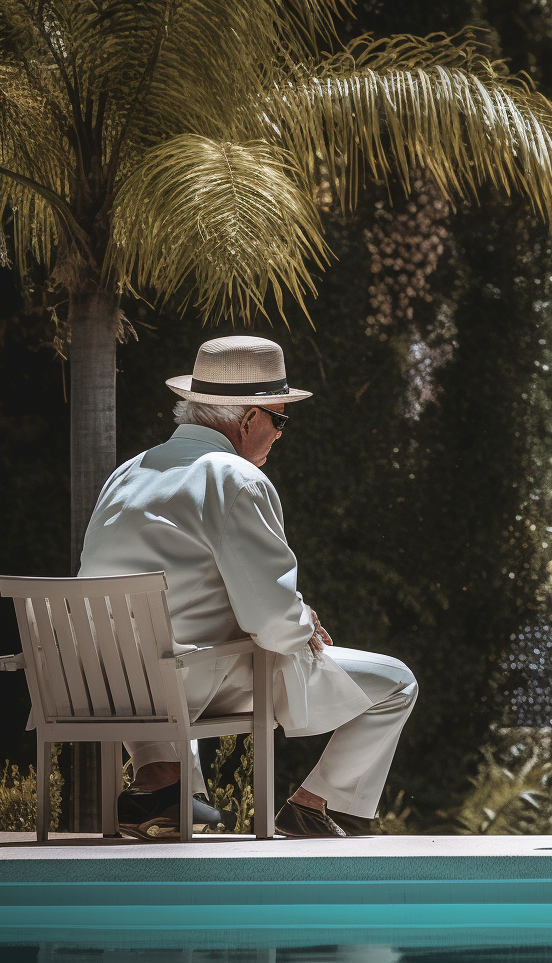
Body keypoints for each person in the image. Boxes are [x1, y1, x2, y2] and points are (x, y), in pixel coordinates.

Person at [78, 336, 418, 838]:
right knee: (396, 683)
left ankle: (162, 785)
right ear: (249, 419)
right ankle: (316, 806)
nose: (281, 435)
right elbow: (274, 625)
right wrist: (304, 624)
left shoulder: (128, 473)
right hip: (185, 678)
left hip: (100, 679)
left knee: (160, 652)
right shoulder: (235, 479)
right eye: (280, 420)